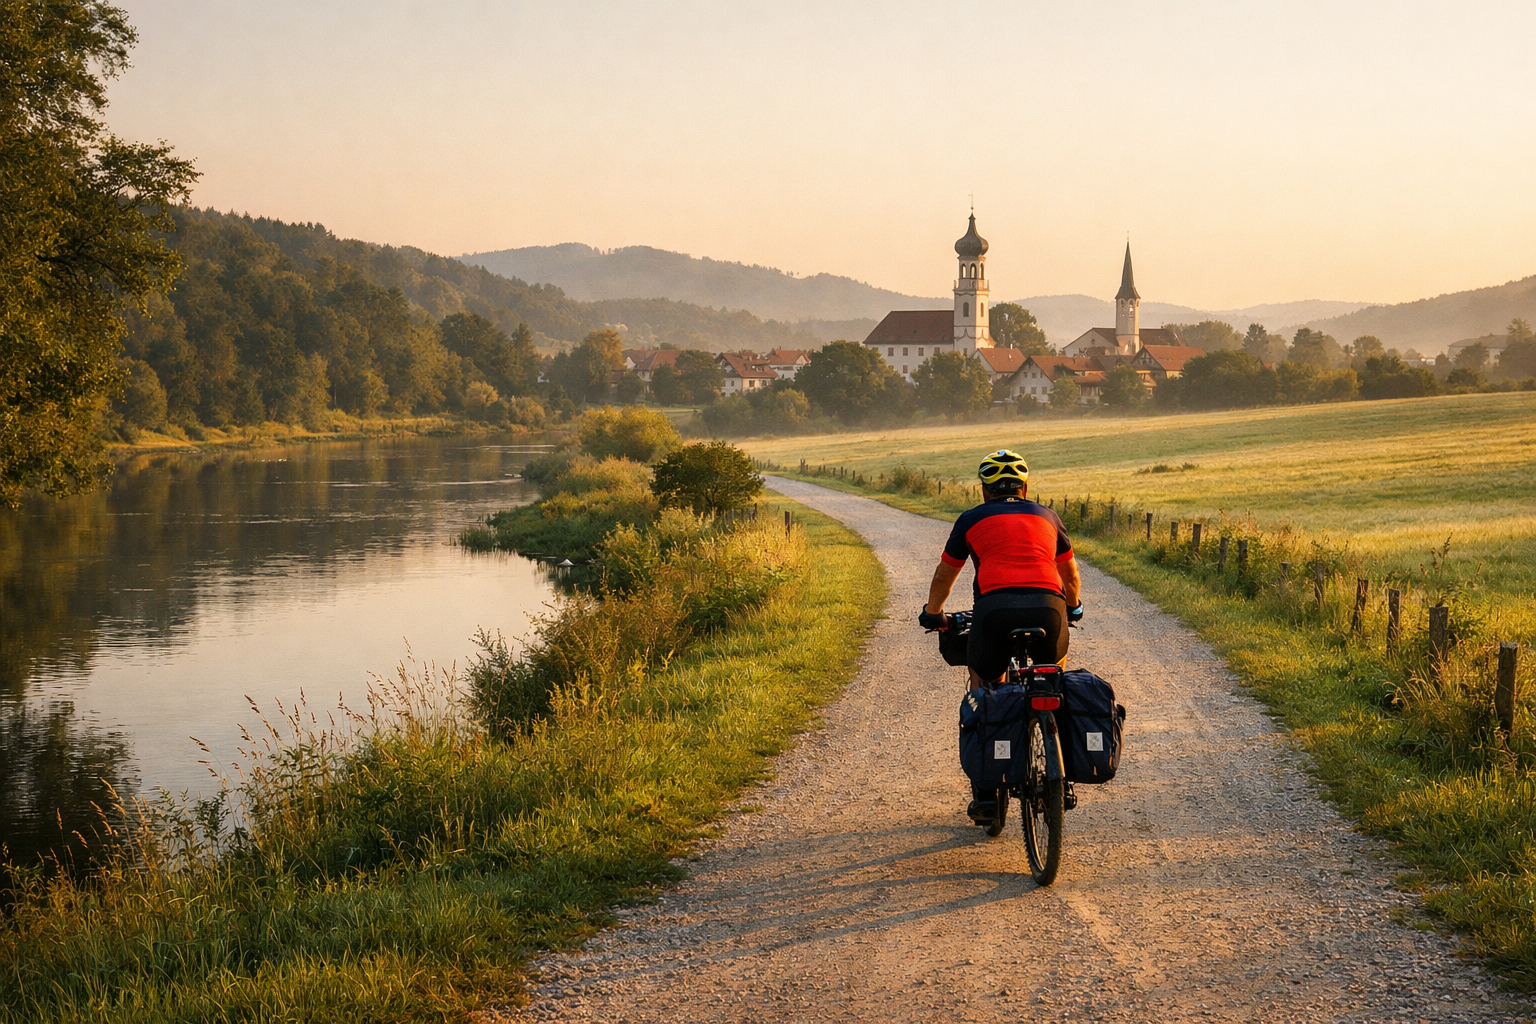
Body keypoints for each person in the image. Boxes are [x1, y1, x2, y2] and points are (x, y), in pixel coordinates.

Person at [917, 449, 1083, 822]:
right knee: (1054, 679)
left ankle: (988, 794)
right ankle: (1063, 773)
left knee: (985, 686)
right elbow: (1070, 576)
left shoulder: (971, 519)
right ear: (1025, 487)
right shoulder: (1048, 516)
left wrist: (933, 614)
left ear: (983, 491)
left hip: (993, 612)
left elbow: (946, 575)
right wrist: (1073, 608)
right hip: (1049, 608)